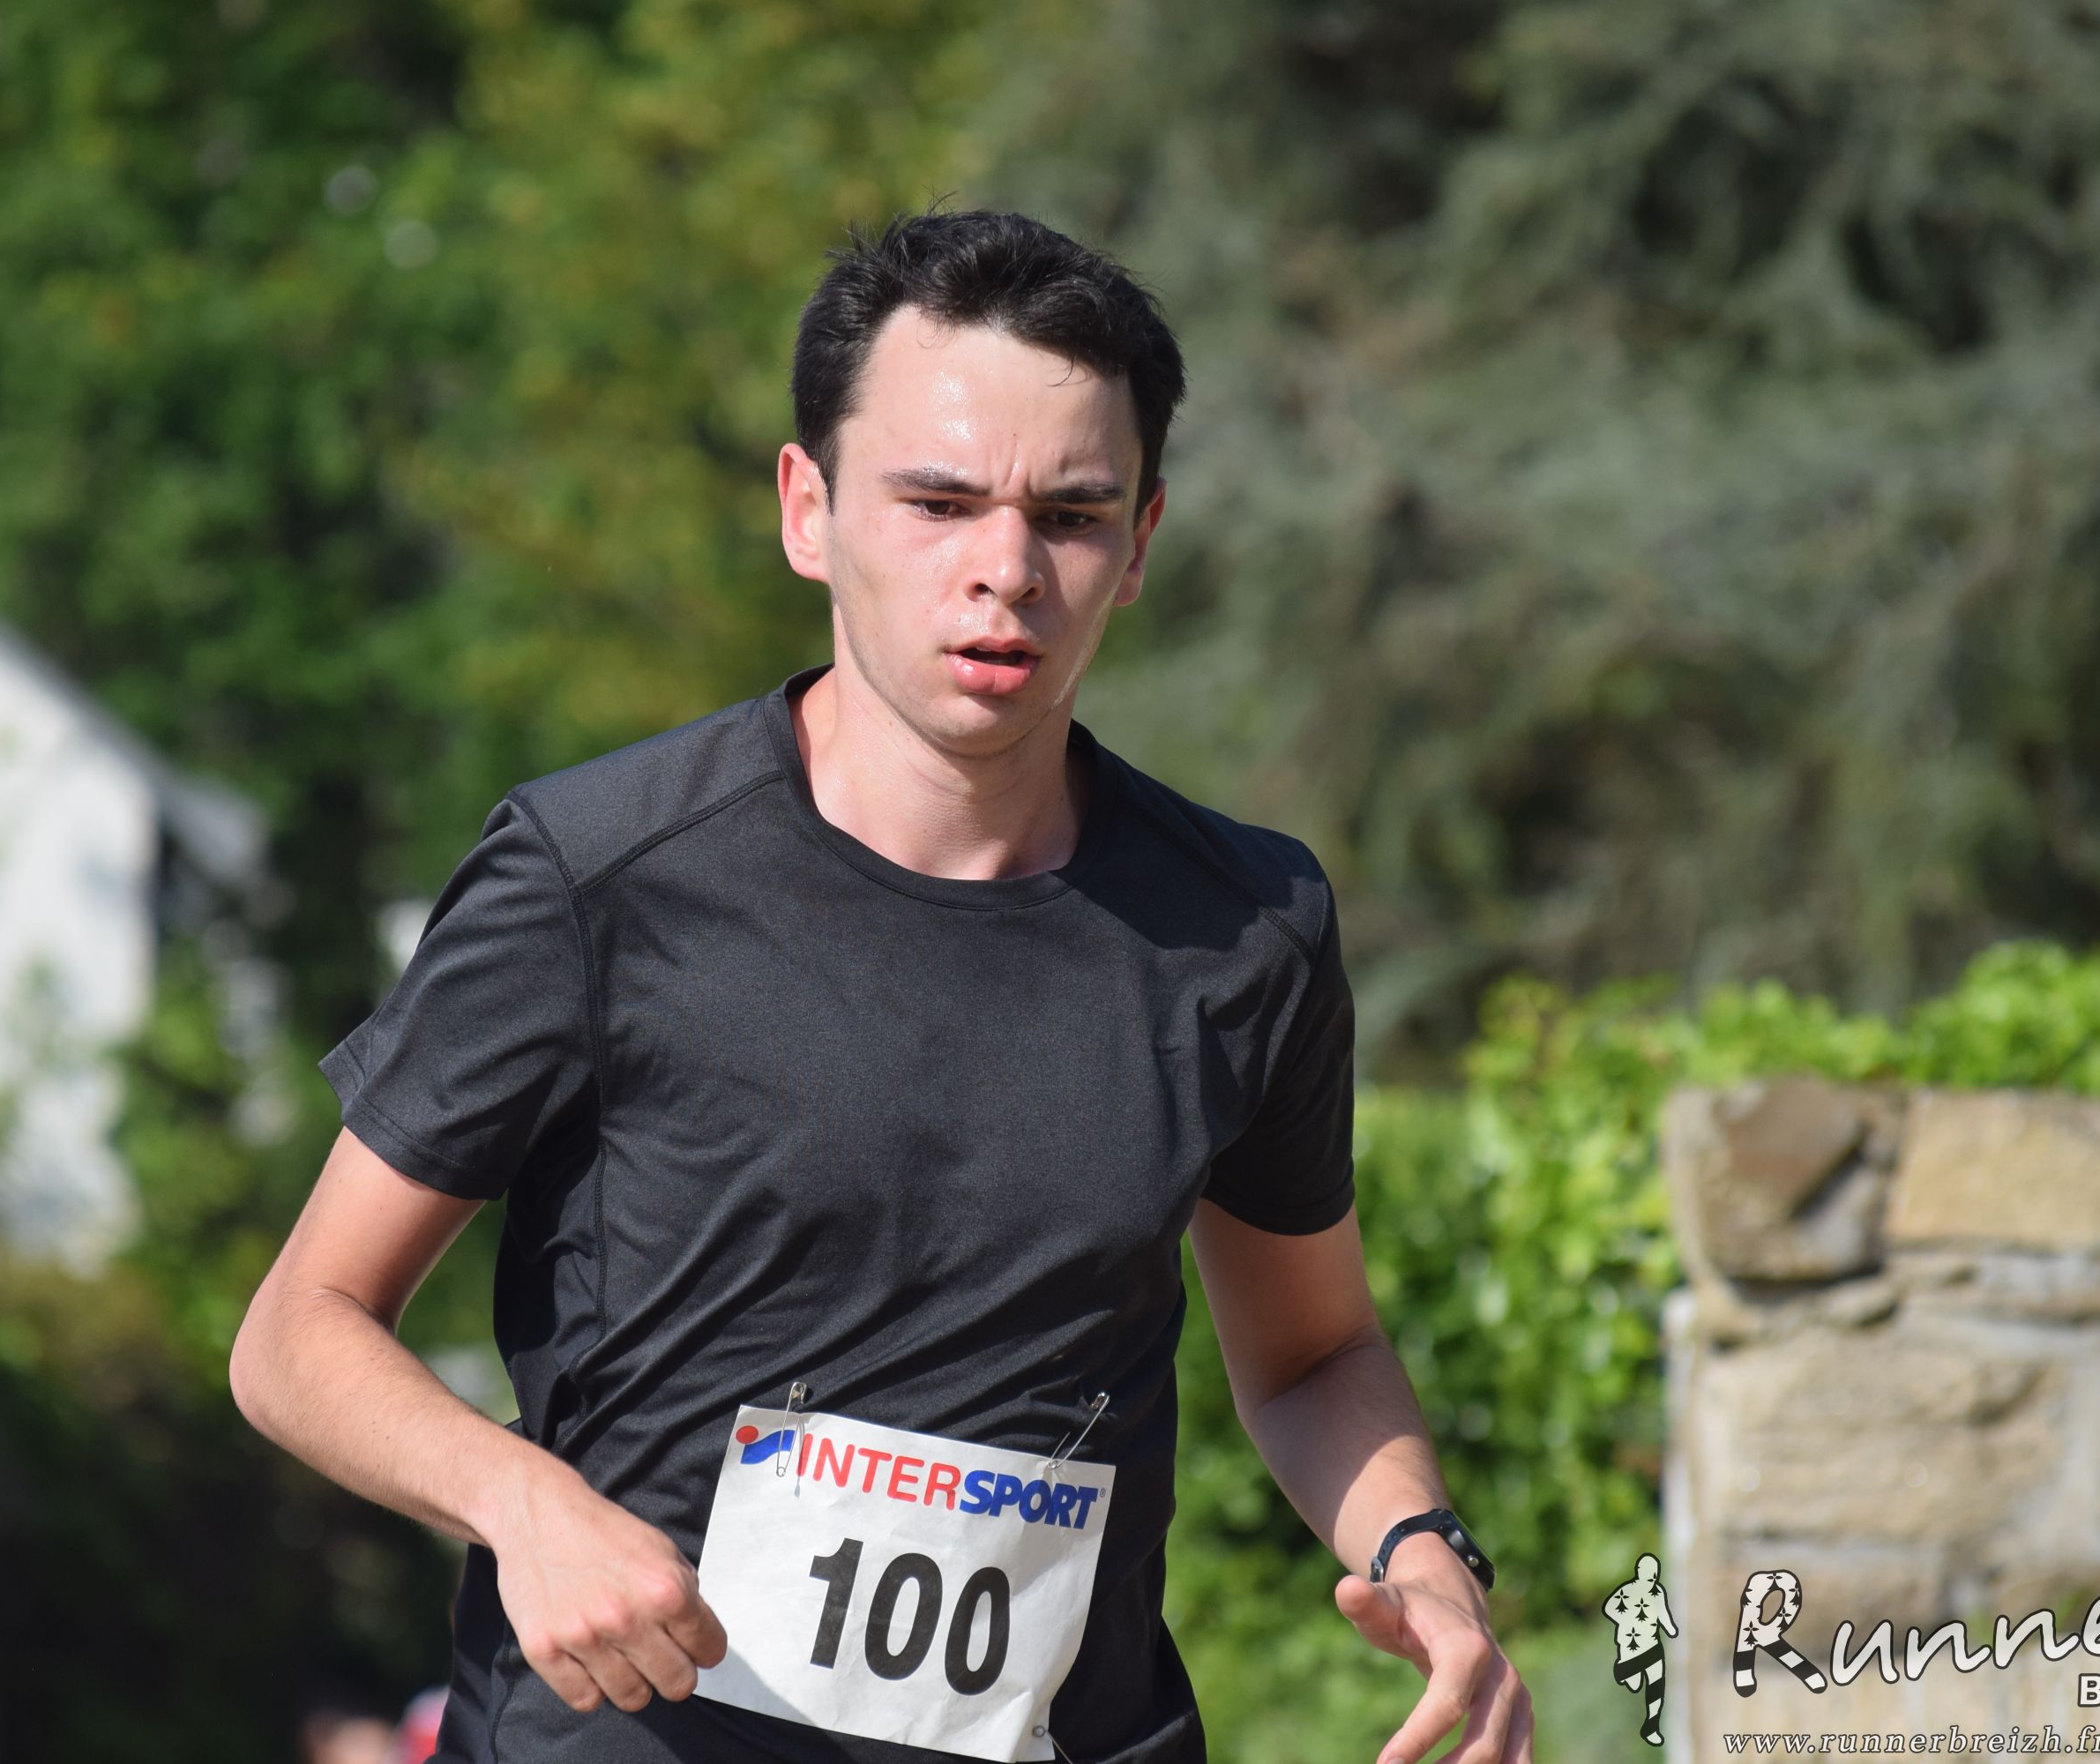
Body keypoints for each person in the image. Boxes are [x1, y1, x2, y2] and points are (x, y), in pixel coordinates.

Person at [229, 207, 1533, 1764]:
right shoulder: (599, 875)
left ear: (1139, 546)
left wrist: (1423, 1557)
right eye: (938, 502)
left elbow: (1313, 1357)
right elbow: (298, 1332)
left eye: (1071, 515)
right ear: (809, 509)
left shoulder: (1246, 927)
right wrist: (521, 1502)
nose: (1005, 571)